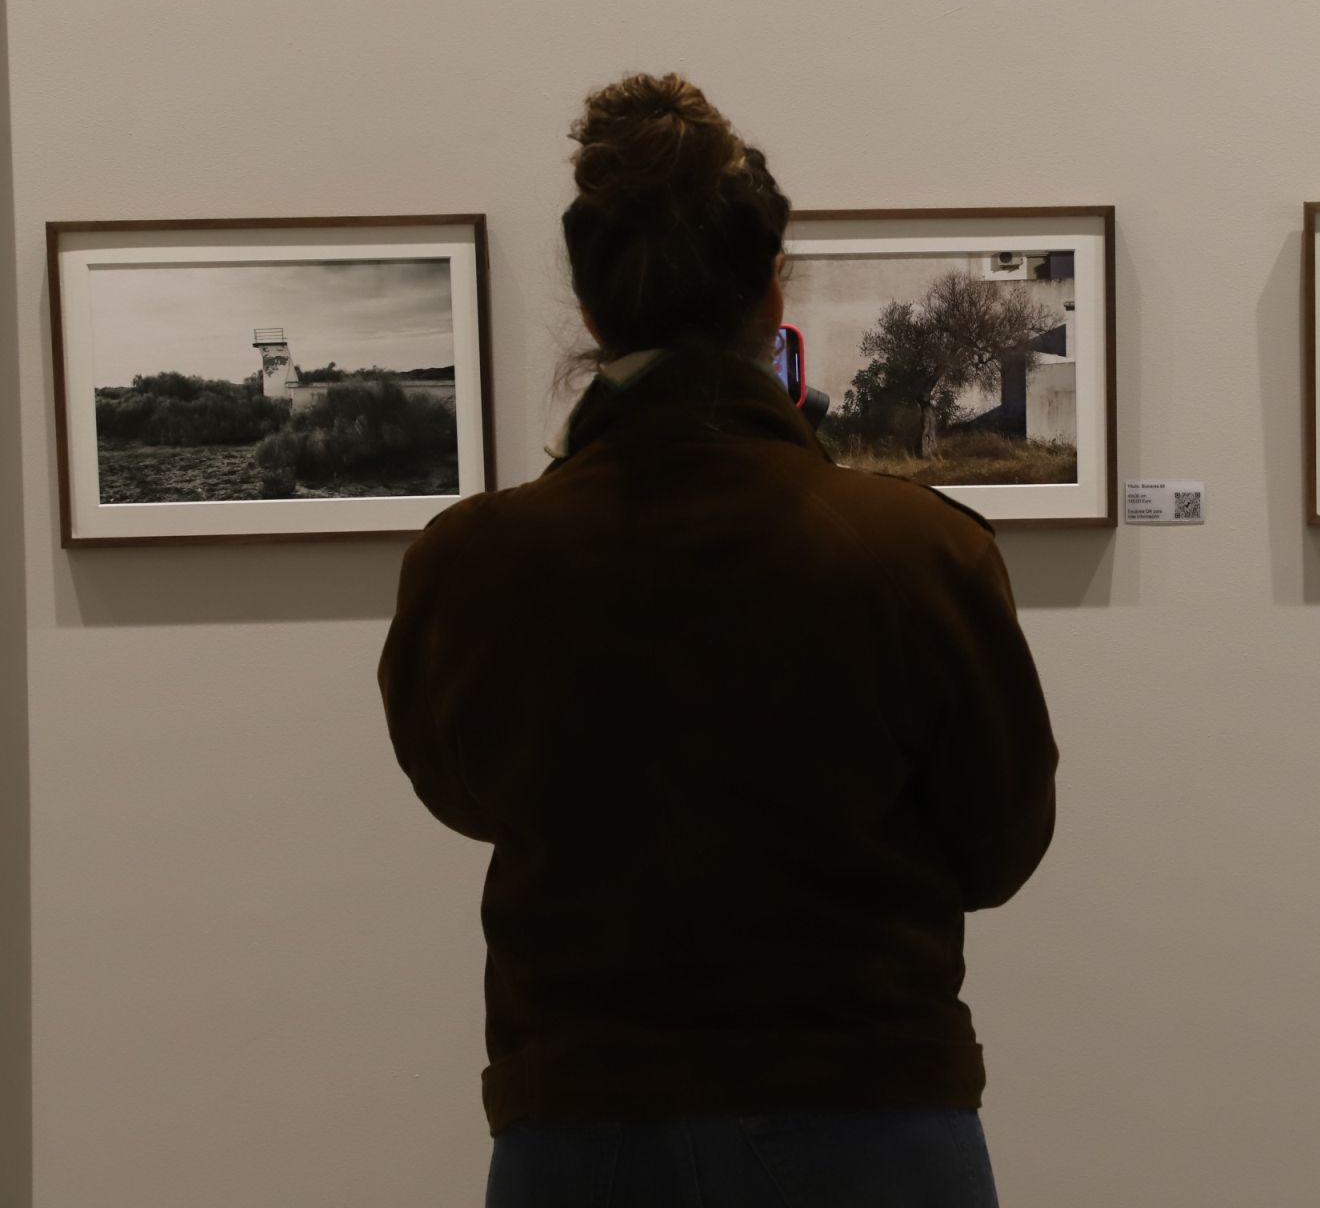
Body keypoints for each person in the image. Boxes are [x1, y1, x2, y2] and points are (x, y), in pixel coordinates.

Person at [378, 72, 1057, 1208]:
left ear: (591, 304)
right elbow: (1000, 846)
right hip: (874, 1116)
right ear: (769, 286)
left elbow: (465, 793)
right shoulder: (917, 551)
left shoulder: (472, 560)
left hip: (581, 1124)